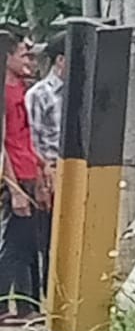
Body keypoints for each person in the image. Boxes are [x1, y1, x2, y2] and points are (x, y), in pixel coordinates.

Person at [0, 32, 50, 325]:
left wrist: (41, 168)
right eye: (24, 55)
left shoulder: (20, 89)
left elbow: (25, 137)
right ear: (7, 58)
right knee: (15, 244)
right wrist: (14, 187)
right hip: (15, 176)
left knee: (29, 242)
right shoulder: (4, 95)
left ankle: (28, 303)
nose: (29, 61)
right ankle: (8, 305)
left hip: (28, 169)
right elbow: (3, 144)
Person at [24, 32, 66, 298]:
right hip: (50, 170)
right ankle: (48, 293)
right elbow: (33, 138)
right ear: (60, 60)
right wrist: (42, 175)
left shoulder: (81, 90)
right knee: (49, 235)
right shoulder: (39, 94)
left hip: (76, 170)